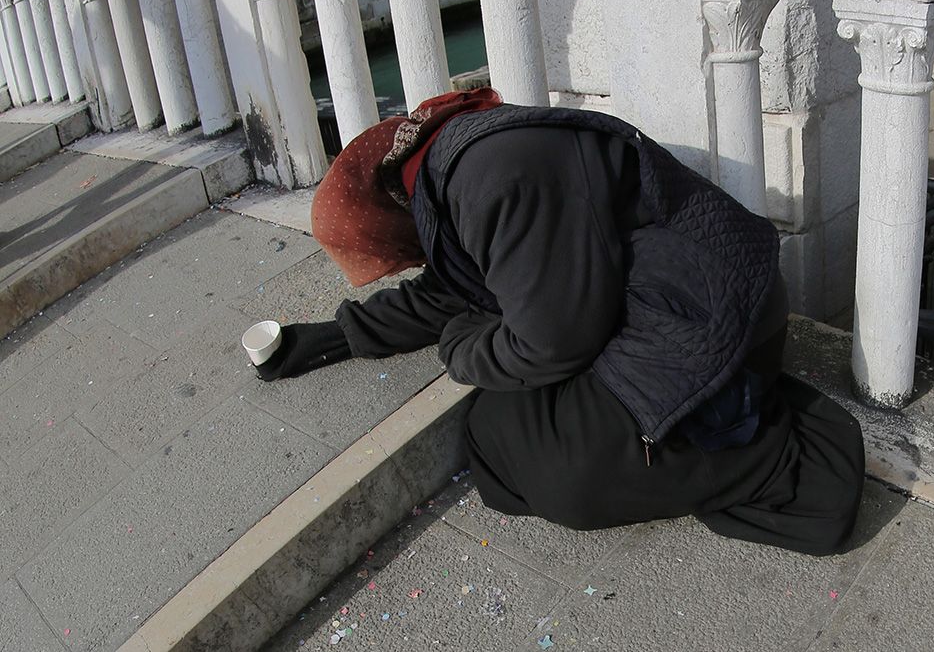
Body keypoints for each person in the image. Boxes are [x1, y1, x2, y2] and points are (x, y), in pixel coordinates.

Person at [255, 88, 865, 555]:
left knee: (531, 454)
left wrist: (462, 352)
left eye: (390, 255)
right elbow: (448, 291)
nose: (402, 263)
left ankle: (775, 457)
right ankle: (720, 422)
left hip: (712, 325)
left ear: (393, 220)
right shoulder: (446, 171)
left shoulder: (486, 181)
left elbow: (553, 342)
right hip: (691, 312)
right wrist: (334, 338)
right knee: (500, 429)